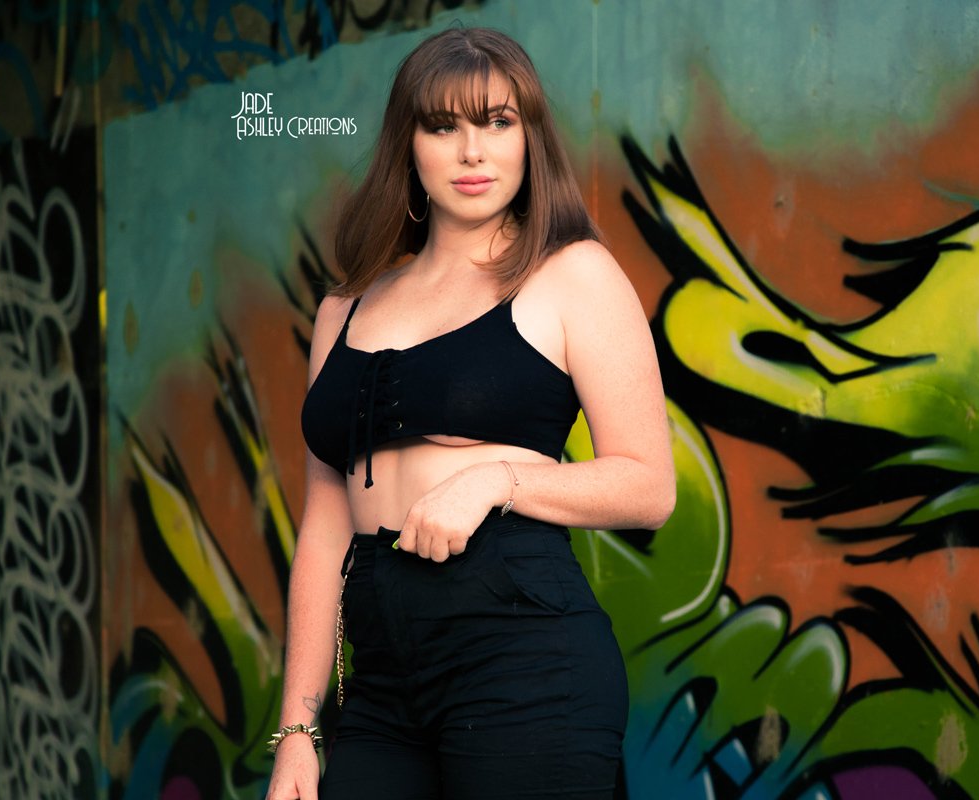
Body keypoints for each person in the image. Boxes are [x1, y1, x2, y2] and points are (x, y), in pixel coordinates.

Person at [266, 26, 674, 800]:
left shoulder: (572, 274)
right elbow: (323, 527)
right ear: (408, 147)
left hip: (523, 656)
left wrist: (496, 481)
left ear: (529, 139)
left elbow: (648, 486)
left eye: (497, 122)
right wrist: (297, 730)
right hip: (381, 681)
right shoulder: (342, 310)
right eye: (443, 125)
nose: (472, 151)